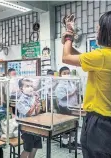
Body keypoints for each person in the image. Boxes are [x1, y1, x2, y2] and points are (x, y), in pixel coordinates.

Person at [61, 11, 111, 157]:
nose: (97, 29)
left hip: (100, 123)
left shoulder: (102, 56)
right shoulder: (102, 57)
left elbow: (66, 58)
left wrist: (69, 34)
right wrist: (68, 43)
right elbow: (78, 56)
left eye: (99, 27)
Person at [16, 78, 42, 158]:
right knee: (28, 149)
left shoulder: (32, 97)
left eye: (31, 86)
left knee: (35, 147)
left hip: (35, 125)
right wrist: (34, 103)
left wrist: (38, 105)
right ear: (21, 89)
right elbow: (29, 113)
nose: (30, 88)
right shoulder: (20, 101)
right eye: (27, 86)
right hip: (26, 128)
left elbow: (36, 113)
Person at [55, 67, 78, 147]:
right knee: (66, 126)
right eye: (64, 73)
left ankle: (72, 141)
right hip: (65, 108)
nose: (67, 75)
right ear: (60, 74)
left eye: (68, 73)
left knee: (74, 125)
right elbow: (62, 97)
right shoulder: (60, 85)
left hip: (73, 107)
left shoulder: (70, 82)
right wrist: (72, 93)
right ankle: (65, 142)